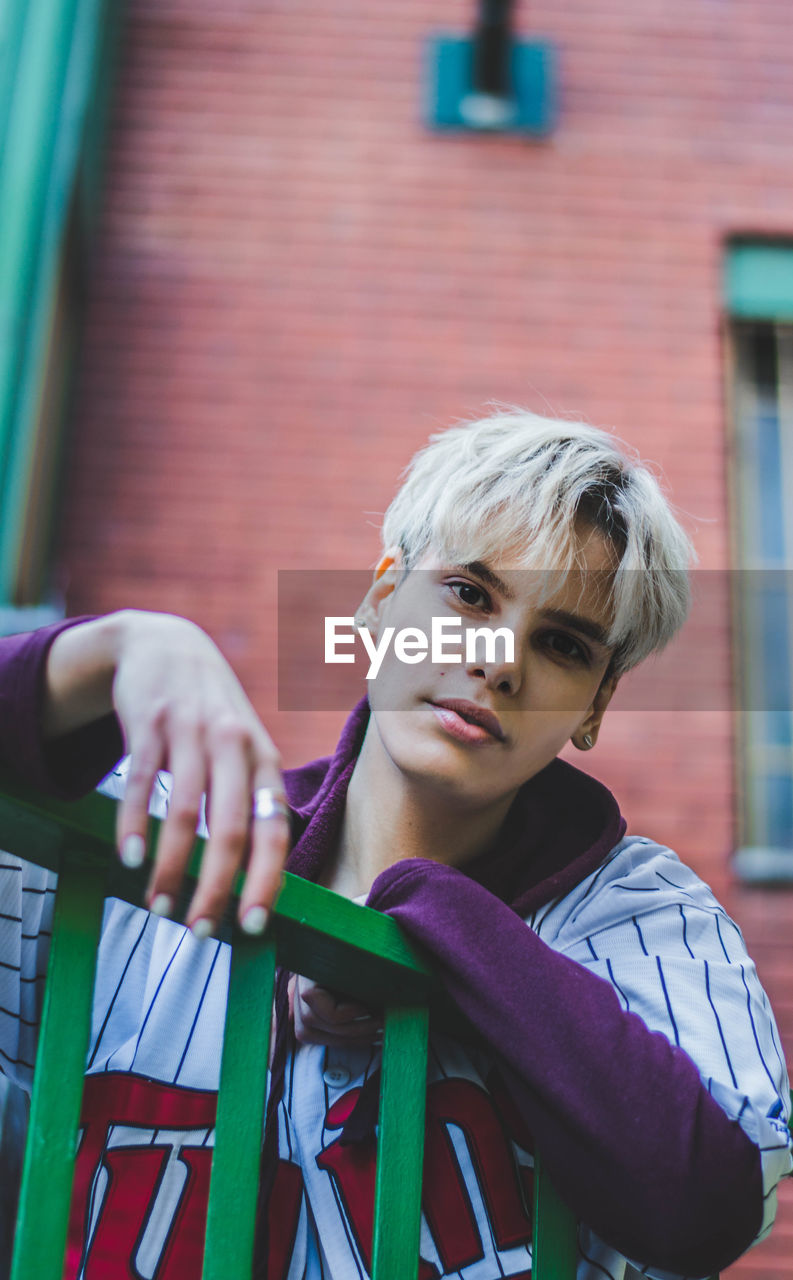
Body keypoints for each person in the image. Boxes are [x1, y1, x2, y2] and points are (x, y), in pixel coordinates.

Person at [2, 411, 792, 1280]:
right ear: (379, 600)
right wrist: (99, 656)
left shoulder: (637, 913)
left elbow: (702, 1203)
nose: (498, 661)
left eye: (561, 643)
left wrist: (429, 914)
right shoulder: (155, 834)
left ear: (594, 706)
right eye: (468, 592)